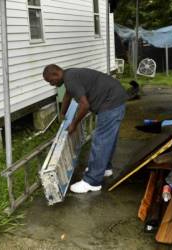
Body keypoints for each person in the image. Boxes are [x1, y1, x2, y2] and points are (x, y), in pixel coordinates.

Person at [43, 64, 128, 193]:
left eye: (51, 81)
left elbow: (84, 105)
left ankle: (92, 181)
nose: (52, 85)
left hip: (110, 103)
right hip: (115, 98)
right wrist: (62, 113)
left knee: (100, 141)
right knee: (108, 139)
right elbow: (68, 95)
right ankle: (104, 168)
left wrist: (74, 124)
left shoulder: (70, 79)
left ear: (56, 74)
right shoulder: (69, 74)